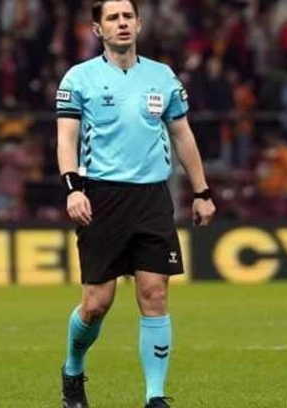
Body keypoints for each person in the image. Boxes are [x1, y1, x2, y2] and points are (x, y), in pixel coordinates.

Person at [55, 1, 216, 407]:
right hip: (101, 197)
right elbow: (66, 138)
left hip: (151, 197)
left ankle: (154, 396)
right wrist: (73, 188)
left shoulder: (162, 77)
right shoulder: (79, 78)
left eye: (128, 16)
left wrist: (202, 191)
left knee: (154, 294)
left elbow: (182, 134)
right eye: (113, 18)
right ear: (98, 29)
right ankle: (72, 369)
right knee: (96, 304)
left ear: (140, 24)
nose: (122, 23)